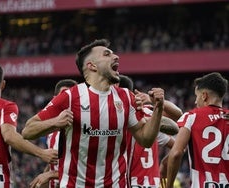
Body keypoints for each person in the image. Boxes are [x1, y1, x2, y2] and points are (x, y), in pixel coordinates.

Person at [22, 38, 165, 187]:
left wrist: (158, 108)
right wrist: (56, 122)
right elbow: (27, 131)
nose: (116, 56)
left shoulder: (126, 97)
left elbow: (146, 140)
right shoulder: (70, 97)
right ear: (92, 66)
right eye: (107, 54)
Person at [166, 72, 229, 188]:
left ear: (204, 95)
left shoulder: (192, 117)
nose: (195, 101)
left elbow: (176, 153)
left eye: (197, 96)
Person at [117, 74, 181, 188]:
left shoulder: (118, 118)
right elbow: (177, 117)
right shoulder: (150, 117)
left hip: (129, 182)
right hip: (152, 183)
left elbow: (177, 118)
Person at [30, 79, 78, 188]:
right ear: (55, 100)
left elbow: (85, 168)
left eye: (72, 97)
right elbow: (55, 162)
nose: (68, 101)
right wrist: (44, 176)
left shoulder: (83, 128)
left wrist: (51, 175)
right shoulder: (52, 128)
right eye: (64, 95)